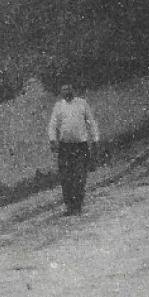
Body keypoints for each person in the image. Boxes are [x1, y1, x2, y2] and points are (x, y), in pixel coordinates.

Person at [47, 84, 100, 215]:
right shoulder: (59, 106)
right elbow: (53, 125)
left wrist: (95, 140)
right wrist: (53, 140)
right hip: (65, 147)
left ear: (73, 90)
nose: (67, 93)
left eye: (69, 90)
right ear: (61, 93)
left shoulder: (82, 104)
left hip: (81, 146)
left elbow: (91, 122)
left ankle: (78, 205)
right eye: (63, 90)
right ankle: (69, 206)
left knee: (80, 176)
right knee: (66, 177)